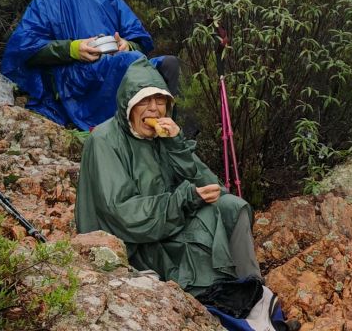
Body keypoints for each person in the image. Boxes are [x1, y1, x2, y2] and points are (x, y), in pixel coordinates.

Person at [75, 61, 259, 295]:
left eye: (160, 100)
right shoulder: (104, 140)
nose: (154, 109)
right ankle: (220, 297)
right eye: (144, 100)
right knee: (205, 227)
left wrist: (176, 146)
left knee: (233, 207)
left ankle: (253, 288)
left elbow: (213, 187)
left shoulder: (164, 137)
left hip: (166, 220)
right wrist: (183, 200)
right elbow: (122, 212)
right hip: (132, 242)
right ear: (127, 104)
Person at [0, 0, 181, 130]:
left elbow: (138, 39)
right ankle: (129, 129)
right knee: (128, 62)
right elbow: (25, 48)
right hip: (75, 77)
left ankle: (167, 130)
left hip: (115, 63)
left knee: (169, 64)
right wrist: (72, 49)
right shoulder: (47, 0)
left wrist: (127, 45)